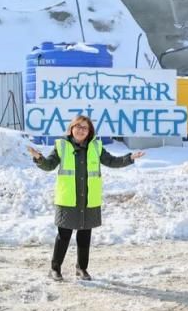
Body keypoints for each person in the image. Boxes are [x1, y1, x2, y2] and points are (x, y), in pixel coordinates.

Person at [27, 115, 144, 281]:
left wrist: (129, 158)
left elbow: (111, 161)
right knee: (64, 235)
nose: (81, 130)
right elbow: (49, 165)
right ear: (72, 128)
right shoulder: (62, 145)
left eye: (85, 128)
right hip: (68, 198)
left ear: (89, 131)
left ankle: (81, 268)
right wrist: (39, 158)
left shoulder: (96, 146)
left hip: (89, 198)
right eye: (78, 126)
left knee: (84, 235)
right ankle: (55, 269)